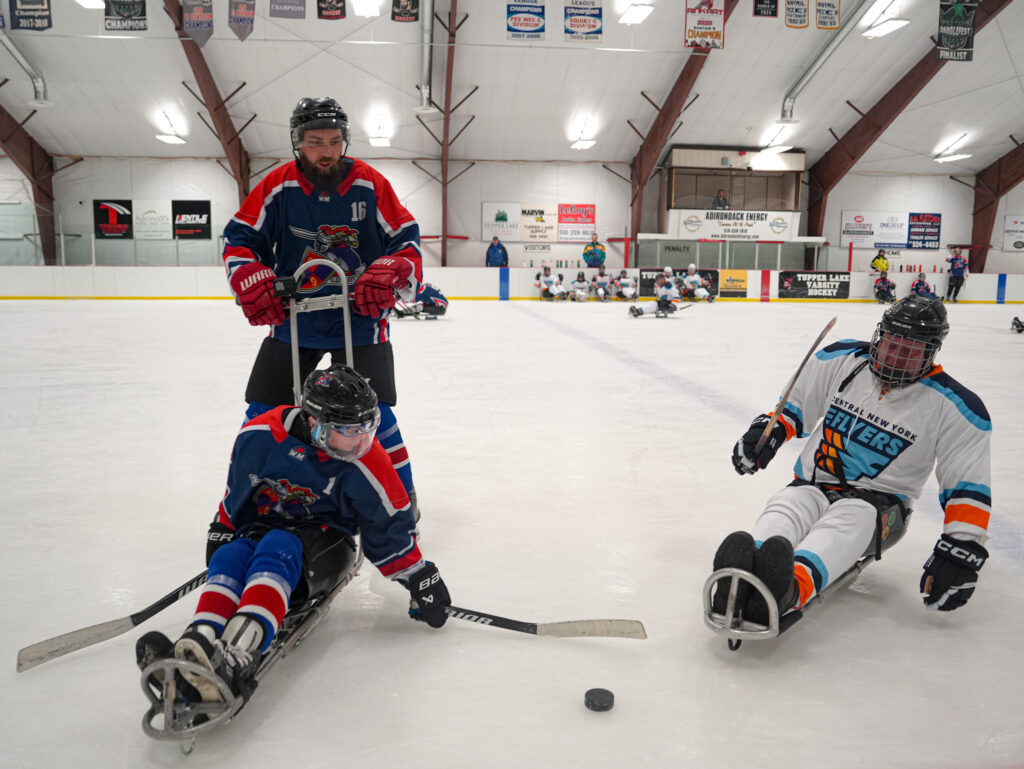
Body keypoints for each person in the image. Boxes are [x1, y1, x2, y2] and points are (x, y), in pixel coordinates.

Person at [136, 365, 452, 704]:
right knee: (230, 555)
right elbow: (238, 492)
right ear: (314, 423)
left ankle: (238, 653)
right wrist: (224, 528)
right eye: (348, 430)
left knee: (278, 544)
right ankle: (195, 646)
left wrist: (418, 575)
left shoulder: (365, 459)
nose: (362, 441)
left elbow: (388, 522)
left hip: (329, 541)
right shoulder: (257, 434)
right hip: (264, 527)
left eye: (367, 428)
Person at [713, 297, 990, 628]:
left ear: (931, 352)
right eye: (891, 343)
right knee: (788, 503)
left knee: (852, 518)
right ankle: (746, 575)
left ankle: (789, 589)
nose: (896, 356)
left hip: (880, 507)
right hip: (813, 484)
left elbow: (966, 487)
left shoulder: (959, 408)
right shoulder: (840, 358)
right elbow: (794, 408)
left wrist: (961, 546)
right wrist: (766, 434)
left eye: (910, 350)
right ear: (879, 336)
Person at [221, 96, 422, 513]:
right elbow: (238, 239)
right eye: (315, 141)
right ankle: (239, 496)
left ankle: (401, 501)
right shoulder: (278, 185)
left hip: (362, 320)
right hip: (294, 320)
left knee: (377, 413)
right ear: (298, 142)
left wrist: (393, 266)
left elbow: (407, 241)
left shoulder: (371, 183)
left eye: (334, 140)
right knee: (264, 410)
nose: (326, 151)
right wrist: (249, 274)